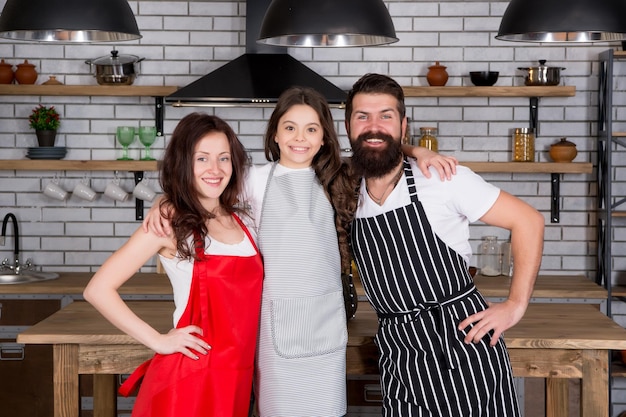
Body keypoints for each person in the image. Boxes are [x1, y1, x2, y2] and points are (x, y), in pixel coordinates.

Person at [143, 86, 458, 416]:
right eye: (290, 127)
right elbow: (202, 193)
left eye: (312, 129)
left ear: (324, 138)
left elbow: (383, 153)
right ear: (275, 134)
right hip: (273, 327)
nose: (300, 138)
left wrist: (418, 151)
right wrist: (163, 201)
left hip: (326, 325)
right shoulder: (252, 181)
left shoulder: (344, 177)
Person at [344, 73, 545, 416]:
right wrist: (414, 148)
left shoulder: (442, 178)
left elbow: (528, 221)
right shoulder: (345, 187)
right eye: (363, 116)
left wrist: (515, 305)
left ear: (404, 125)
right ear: (348, 125)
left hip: (461, 346)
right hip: (399, 351)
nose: (373, 125)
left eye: (386, 116)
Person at [83, 113, 264, 417]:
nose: (215, 169)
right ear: (183, 163)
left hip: (237, 380)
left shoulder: (244, 220)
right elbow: (98, 289)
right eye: (202, 159)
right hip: (189, 382)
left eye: (223, 158)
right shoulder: (170, 221)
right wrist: (159, 341)